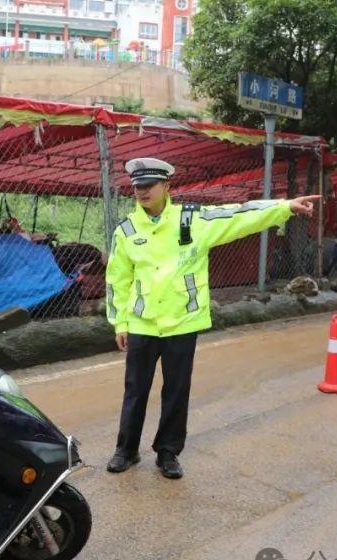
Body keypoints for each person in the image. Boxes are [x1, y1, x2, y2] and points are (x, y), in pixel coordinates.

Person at [105, 157, 319, 479]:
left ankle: (168, 452)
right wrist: (120, 322)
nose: (142, 191)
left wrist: (285, 207)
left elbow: (240, 215)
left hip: (183, 321)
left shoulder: (193, 219)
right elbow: (117, 280)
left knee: (176, 389)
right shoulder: (127, 231)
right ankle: (126, 450)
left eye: (149, 185)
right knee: (135, 388)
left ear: (167, 187)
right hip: (141, 322)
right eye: (138, 187)